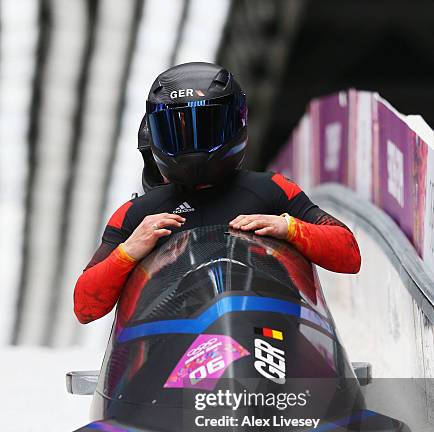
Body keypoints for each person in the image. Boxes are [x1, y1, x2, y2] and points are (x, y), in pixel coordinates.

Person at [74, 62, 361, 324]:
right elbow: (85, 307)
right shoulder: (136, 215)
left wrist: (289, 228)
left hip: (263, 341)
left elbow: (348, 254)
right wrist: (128, 251)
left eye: (205, 127)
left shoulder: (273, 191)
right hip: (171, 352)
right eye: (179, 132)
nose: (191, 144)